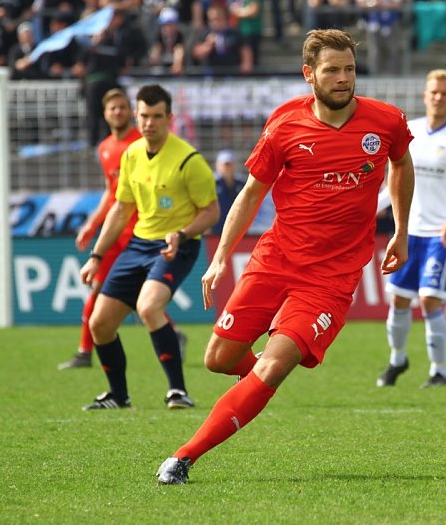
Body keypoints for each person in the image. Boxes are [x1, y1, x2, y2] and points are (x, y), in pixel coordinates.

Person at [155, 28, 415, 485]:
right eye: (332, 70)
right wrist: (220, 258)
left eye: (349, 69)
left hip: (331, 279)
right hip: (276, 258)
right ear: (309, 74)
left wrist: (401, 229)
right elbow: (251, 193)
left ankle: (183, 457)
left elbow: (401, 163)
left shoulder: (386, 121)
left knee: (273, 364)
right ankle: (258, 386)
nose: (343, 78)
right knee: (218, 358)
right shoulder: (284, 125)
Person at [79, 84, 220, 410]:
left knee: (148, 307)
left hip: (177, 246)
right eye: (144, 116)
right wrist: (96, 257)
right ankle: (118, 395)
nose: (149, 123)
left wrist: (182, 234)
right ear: (136, 115)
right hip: (139, 244)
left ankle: (177, 391)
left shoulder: (189, 160)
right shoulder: (131, 155)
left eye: (157, 116)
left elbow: (211, 211)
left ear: (169, 118)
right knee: (99, 323)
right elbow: (121, 208)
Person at [60, 87, 187, 370]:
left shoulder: (143, 142)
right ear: (104, 114)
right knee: (102, 289)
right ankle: (85, 350)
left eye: (121, 108)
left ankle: (170, 338)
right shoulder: (105, 148)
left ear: (131, 112)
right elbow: (111, 193)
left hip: (142, 232)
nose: (117, 112)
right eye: (111, 108)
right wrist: (91, 225)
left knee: (136, 295)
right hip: (116, 231)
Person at [375, 69, 446, 389]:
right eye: (433, 92)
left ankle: (439, 371)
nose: (438, 97)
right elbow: (392, 185)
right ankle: (397, 360)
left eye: (445, 93)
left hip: (443, 233)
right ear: (425, 95)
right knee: (398, 300)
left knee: (429, 300)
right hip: (408, 230)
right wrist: (370, 209)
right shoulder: (408, 131)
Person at [210, 149, 247, 235]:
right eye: (225, 165)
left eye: (229, 165)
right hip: (216, 230)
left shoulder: (241, 183)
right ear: (218, 165)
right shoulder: (212, 183)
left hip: (238, 230)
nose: (227, 168)